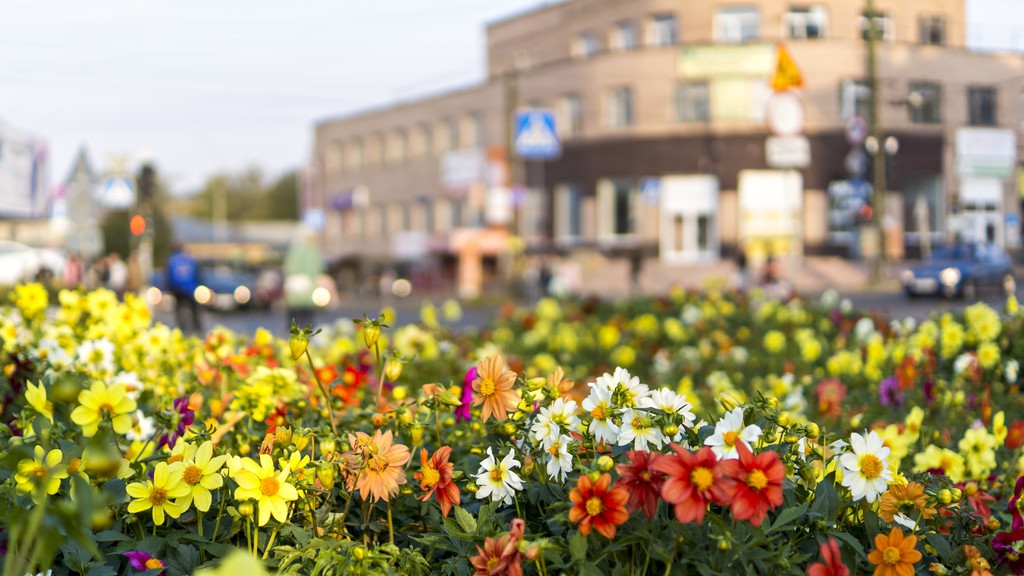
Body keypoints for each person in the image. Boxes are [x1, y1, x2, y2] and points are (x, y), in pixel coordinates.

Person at [283, 231, 325, 332]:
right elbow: (317, 267)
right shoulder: (312, 250)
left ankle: (293, 327)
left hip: (295, 282)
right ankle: (307, 327)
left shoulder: (295, 249)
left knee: (294, 311)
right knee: (308, 311)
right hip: (307, 282)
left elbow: (289, 266)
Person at [167, 244, 202, 334]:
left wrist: (170, 288)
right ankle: (197, 328)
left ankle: (181, 328)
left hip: (177, 289)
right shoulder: (191, 259)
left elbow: (169, 275)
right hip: (190, 288)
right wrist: (198, 285)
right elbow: (197, 274)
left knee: (179, 309)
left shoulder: (172, 259)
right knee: (194, 309)